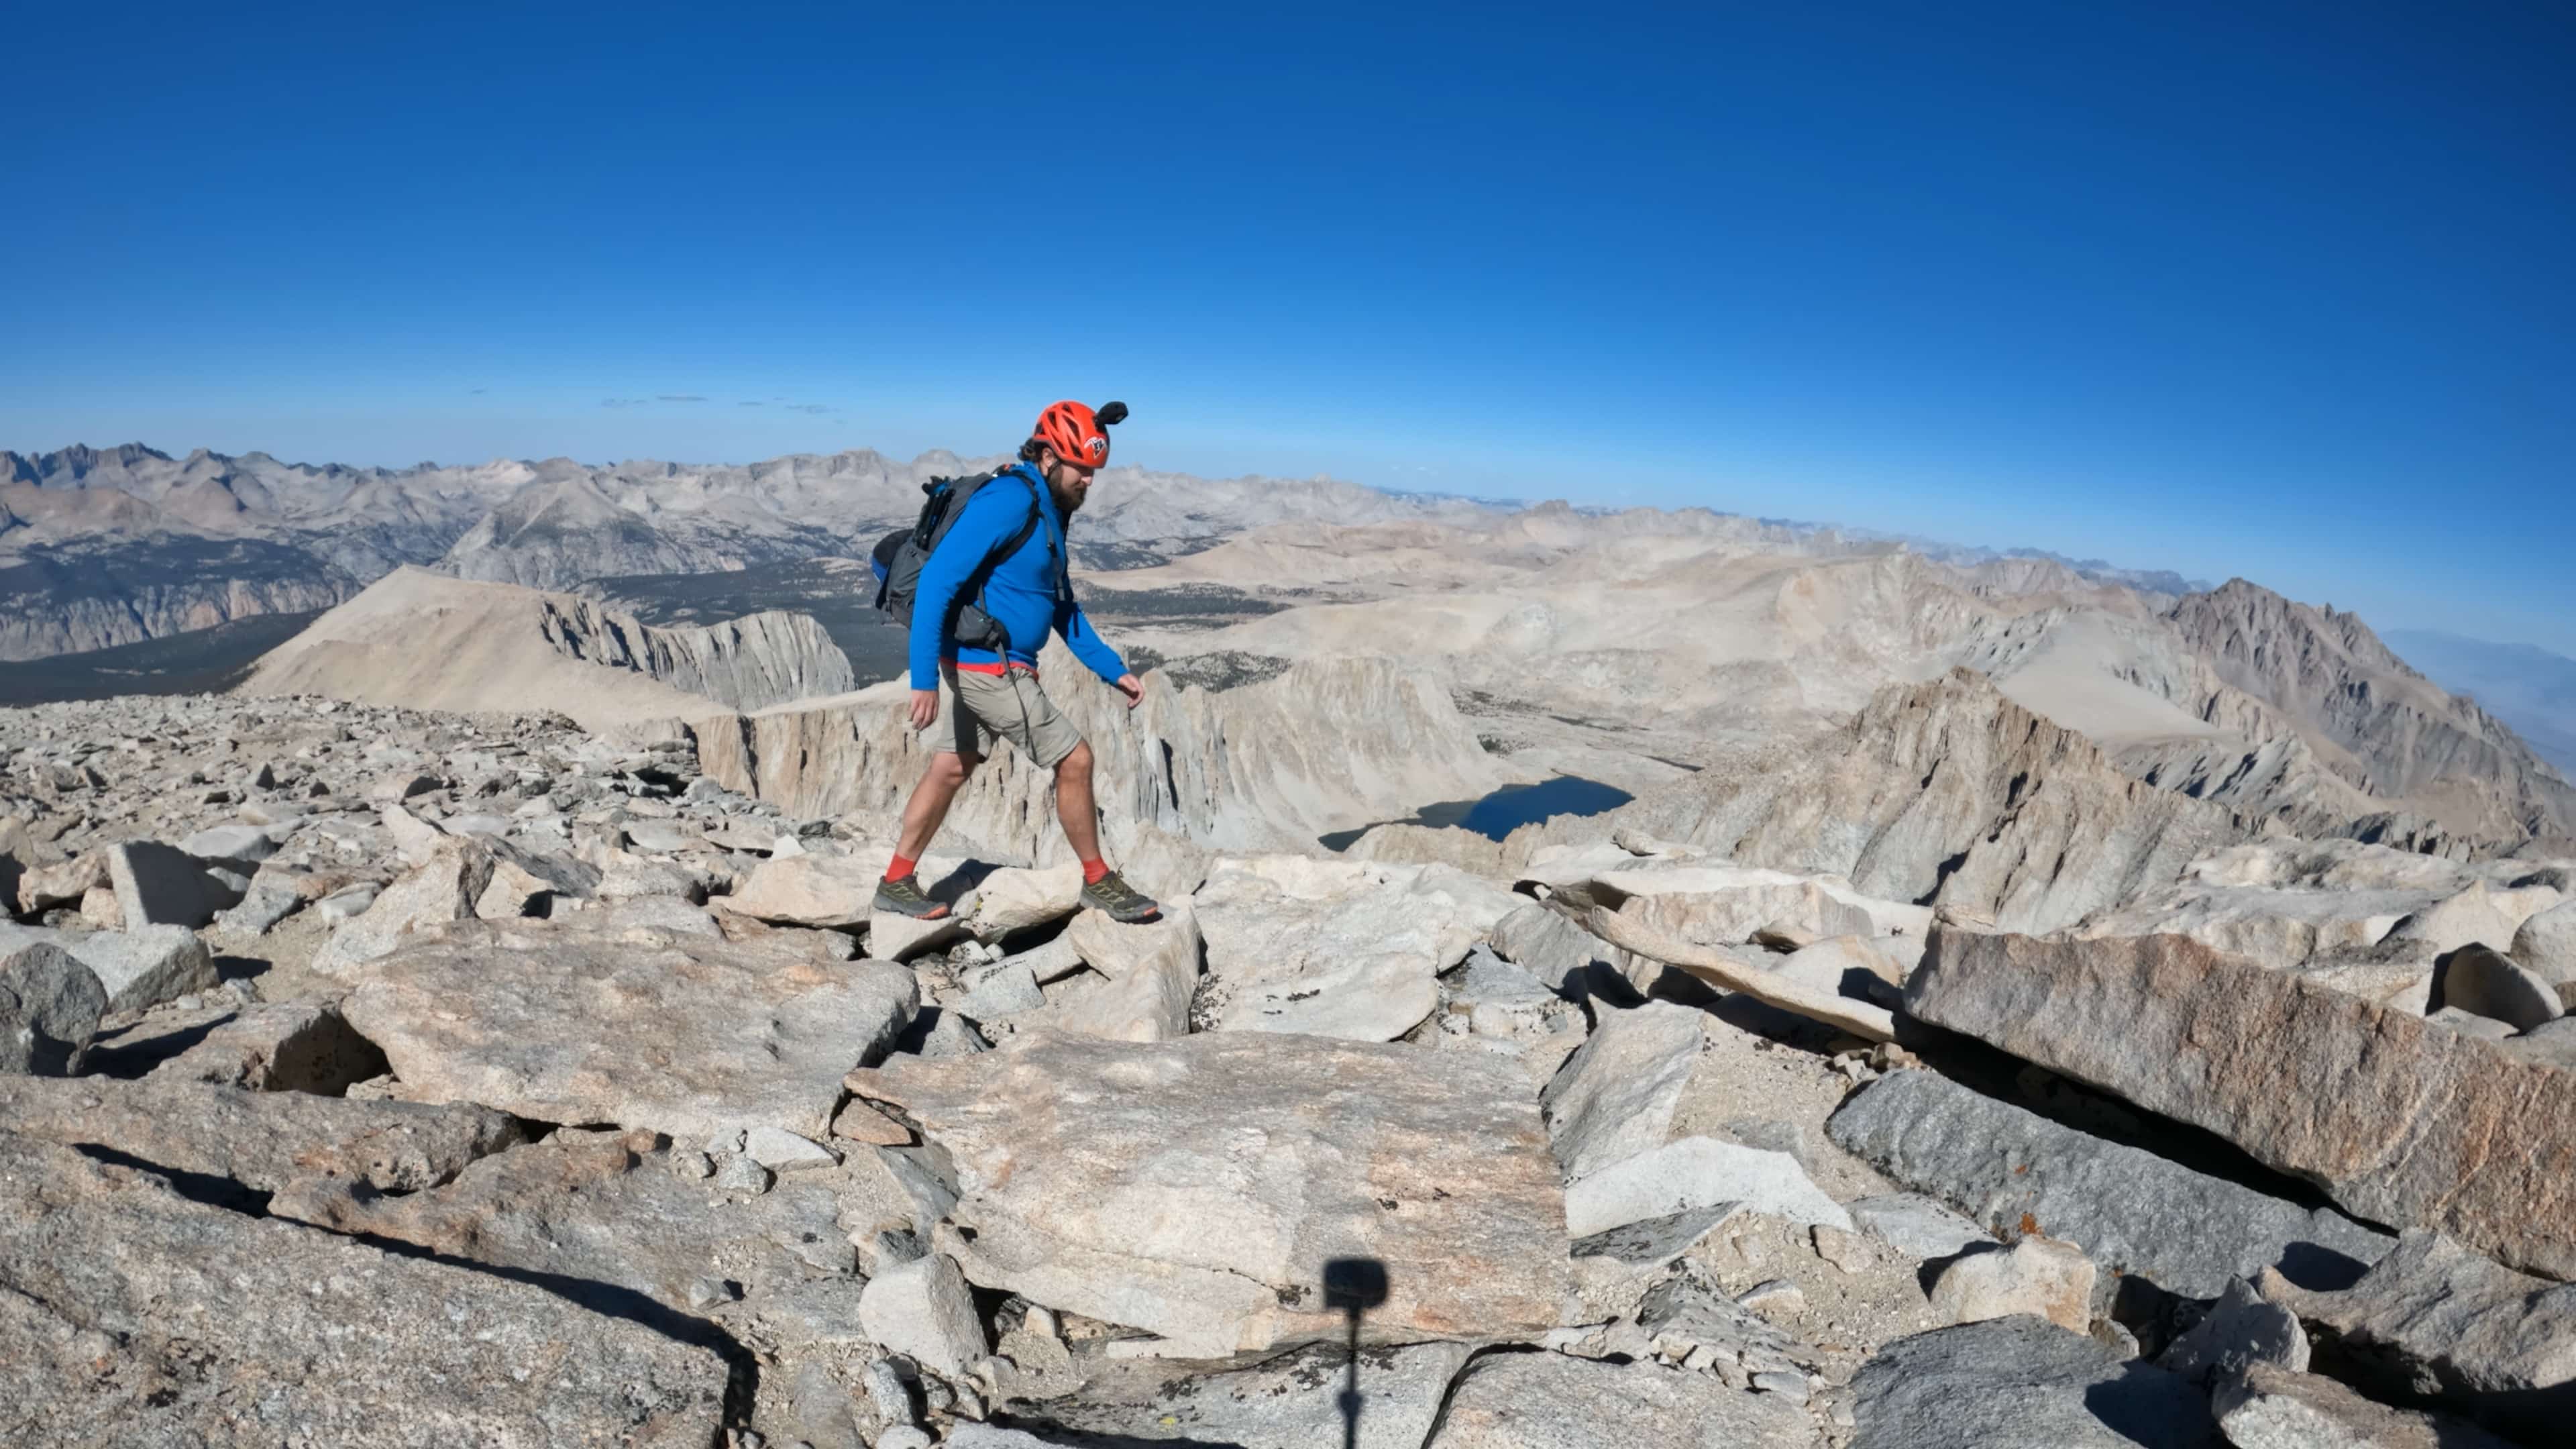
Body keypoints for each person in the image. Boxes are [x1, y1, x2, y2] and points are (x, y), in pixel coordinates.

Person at [873, 400, 1162, 923]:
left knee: (952, 767)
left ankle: (895, 881)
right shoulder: (1011, 499)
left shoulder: (1050, 512)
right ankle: (1099, 882)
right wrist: (922, 680)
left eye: (1094, 471)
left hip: (993, 661)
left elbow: (1062, 607)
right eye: (1081, 469)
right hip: (991, 667)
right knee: (1075, 761)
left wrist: (1111, 668)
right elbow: (939, 581)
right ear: (1049, 457)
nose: (1089, 482)